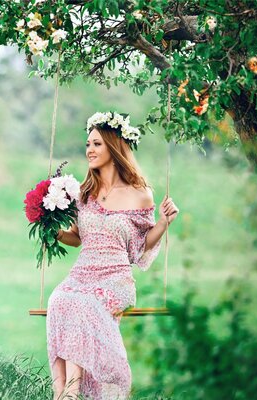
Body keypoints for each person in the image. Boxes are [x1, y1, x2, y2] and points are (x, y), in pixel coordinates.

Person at [46, 112, 179, 400]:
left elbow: (141, 244)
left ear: (113, 146)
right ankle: (64, 391)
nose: (89, 150)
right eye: (87, 144)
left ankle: (70, 393)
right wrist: (54, 232)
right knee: (60, 298)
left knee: (81, 302)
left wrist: (164, 223)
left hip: (115, 279)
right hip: (81, 274)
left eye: (96, 144)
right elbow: (77, 238)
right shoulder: (83, 193)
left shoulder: (139, 194)